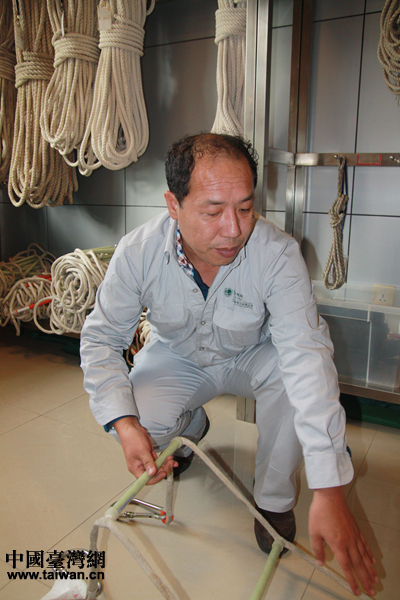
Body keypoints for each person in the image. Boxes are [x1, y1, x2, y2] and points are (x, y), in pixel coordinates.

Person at [80, 132, 379, 597]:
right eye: (213, 211)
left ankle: (273, 501)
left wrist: (329, 487)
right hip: (177, 354)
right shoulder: (138, 252)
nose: (234, 229)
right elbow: (101, 340)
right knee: (138, 417)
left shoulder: (277, 253)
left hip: (253, 354)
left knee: (290, 376)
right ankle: (191, 425)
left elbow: (306, 355)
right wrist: (124, 424)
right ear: (174, 205)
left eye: (244, 208)